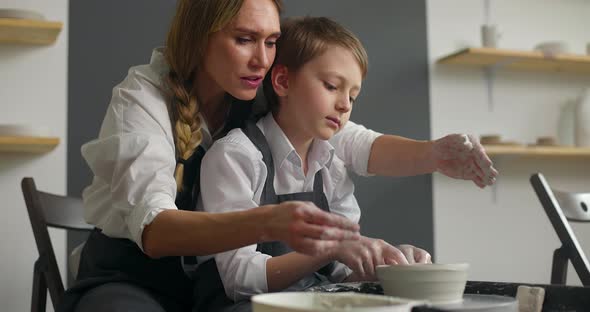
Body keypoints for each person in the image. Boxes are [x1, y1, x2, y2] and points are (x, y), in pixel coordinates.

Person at [59, 0, 497, 311]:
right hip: (133, 275)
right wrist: (277, 224)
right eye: (245, 39)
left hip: (210, 287)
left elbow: (353, 139)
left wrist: (433, 154)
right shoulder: (142, 100)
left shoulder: (258, 90)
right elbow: (154, 231)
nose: (262, 59)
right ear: (198, 38)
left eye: (271, 42)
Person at [192, 16, 431, 312]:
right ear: (282, 82)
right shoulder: (235, 157)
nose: (345, 105)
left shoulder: (331, 164)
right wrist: (329, 250)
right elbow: (237, 279)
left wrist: (388, 264)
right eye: (332, 86)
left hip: (311, 301)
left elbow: (344, 273)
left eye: (352, 96)